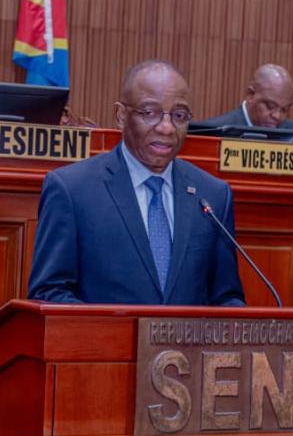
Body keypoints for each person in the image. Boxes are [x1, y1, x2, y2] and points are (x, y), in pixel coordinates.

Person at [28, 60, 246, 306]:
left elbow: (226, 297)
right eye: (149, 113)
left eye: (179, 115)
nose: (166, 127)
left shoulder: (213, 195)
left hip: (186, 346)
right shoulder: (72, 189)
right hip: (102, 343)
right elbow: (49, 294)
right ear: (121, 116)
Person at [203, 64, 293, 143]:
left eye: (285, 109)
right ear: (251, 94)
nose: (277, 116)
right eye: (270, 106)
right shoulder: (214, 132)